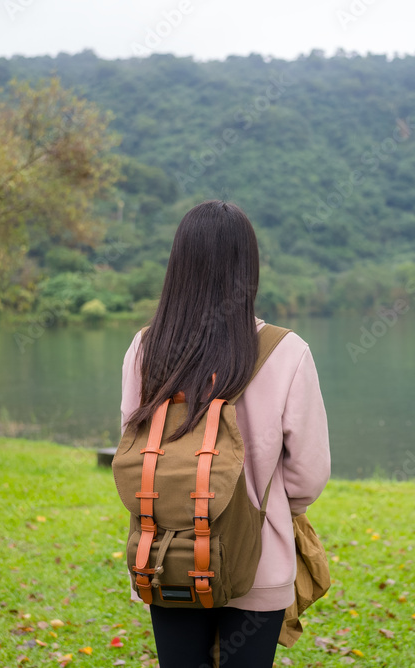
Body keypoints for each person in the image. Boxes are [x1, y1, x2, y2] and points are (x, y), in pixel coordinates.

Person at [119, 200, 331, 667]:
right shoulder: (286, 351)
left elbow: (134, 448)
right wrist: (261, 505)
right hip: (259, 561)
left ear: (179, 265)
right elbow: (310, 474)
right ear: (248, 269)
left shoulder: (145, 348)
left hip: (167, 555)